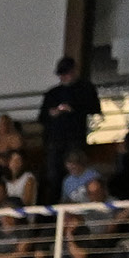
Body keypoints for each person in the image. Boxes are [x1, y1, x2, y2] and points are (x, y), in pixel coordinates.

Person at [39, 58, 100, 199]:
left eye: (66, 73)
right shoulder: (52, 93)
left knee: (77, 171)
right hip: (55, 140)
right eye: (61, 74)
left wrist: (73, 109)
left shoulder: (85, 89)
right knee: (54, 176)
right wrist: (52, 113)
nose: (63, 77)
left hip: (75, 138)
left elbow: (94, 108)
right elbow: (42, 117)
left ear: (74, 71)